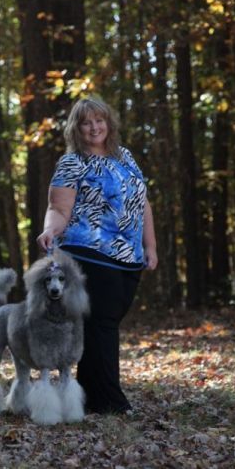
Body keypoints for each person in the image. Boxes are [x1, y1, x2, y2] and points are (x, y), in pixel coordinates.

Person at [37, 97, 158, 414]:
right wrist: (50, 230)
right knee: (104, 322)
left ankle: (88, 397)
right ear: (76, 129)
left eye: (99, 120)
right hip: (88, 251)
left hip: (129, 255)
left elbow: (143, 204)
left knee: (102, 322)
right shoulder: (72, 162)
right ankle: (111, 402)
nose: (94, 127)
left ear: (109, 123)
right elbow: (58, 207)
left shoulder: (125, 157)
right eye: (86, 123)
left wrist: (151, 246)